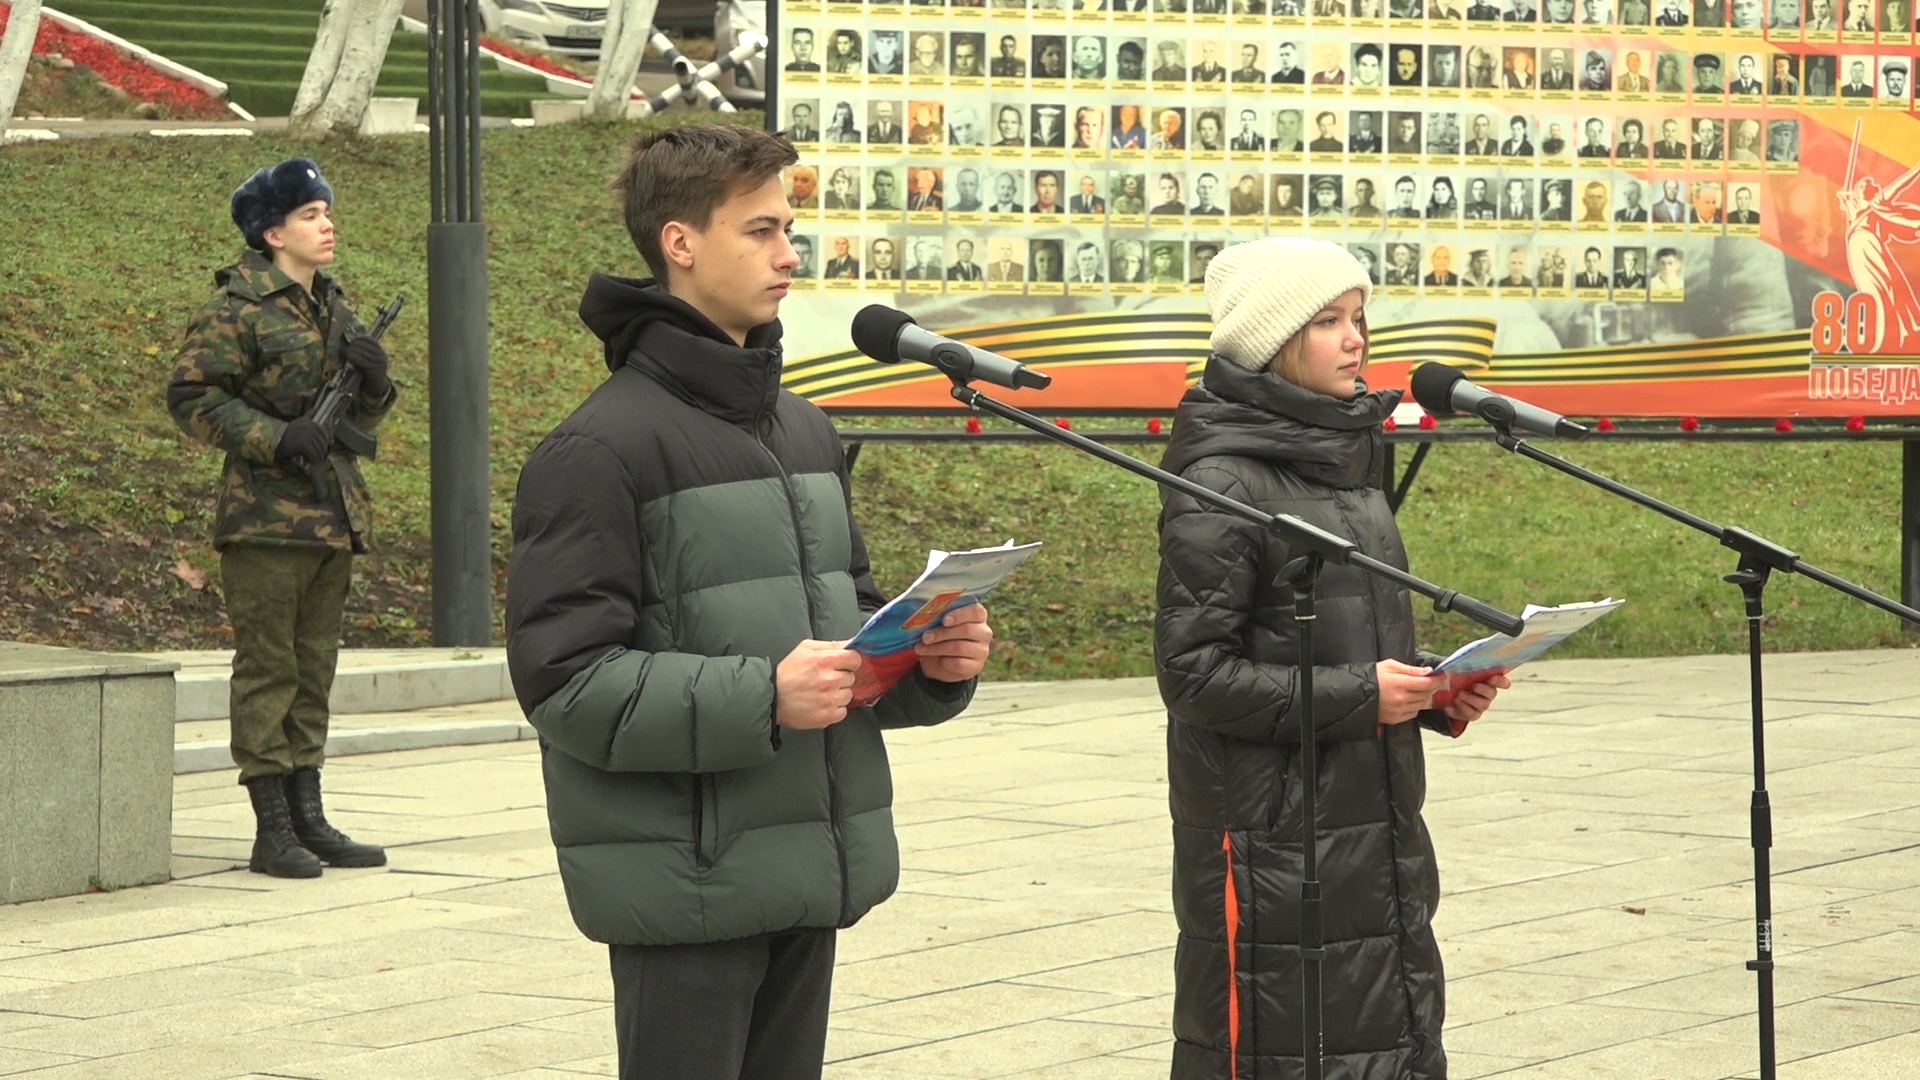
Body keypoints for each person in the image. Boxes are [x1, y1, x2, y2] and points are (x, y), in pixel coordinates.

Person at [504, 124, 991, 1080]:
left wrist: (925, 664)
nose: (788, 254)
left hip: (805, 860)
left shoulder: (804, 428)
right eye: (760, 230)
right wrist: (761, 696)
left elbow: (845, 634)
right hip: (685, 880)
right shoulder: (596, 452)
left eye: (790, 227)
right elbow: (563, 685)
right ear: (679, 243)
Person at [1156, 237, 1505, 1080]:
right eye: (1328, 321)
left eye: (1359, 319)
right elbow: (1193, 675)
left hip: (1374, 820)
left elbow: (1342, 637)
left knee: (1388, 1041)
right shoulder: (1225, 483)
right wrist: (1361, 696)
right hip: (1273, 845)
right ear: (1272, 341)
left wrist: (1429, 688)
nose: (1356, 340)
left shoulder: (1349, 466)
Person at [170, 156, 399, 883]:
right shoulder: (236, 306)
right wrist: (276, 437)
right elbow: (192, 398)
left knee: (313, 669)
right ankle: (271, 827)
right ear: (272, 232)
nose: (327, 225)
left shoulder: (332, 305)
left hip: (331, 515)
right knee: (270, 670)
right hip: (265, 520)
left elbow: (360, 420)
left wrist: (376, 381)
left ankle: (309, 815)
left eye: (326, 213)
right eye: (310, 215)